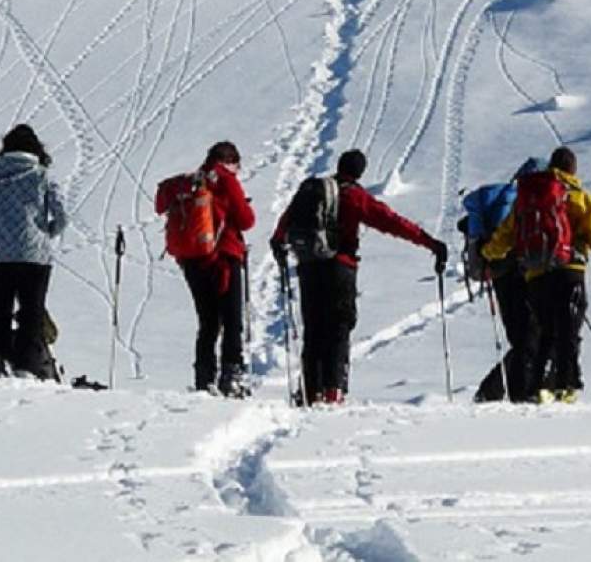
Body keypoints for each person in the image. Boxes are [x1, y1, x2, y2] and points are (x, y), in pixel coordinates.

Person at [271, 149, 447, 405]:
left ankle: (311, 391)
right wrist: (429, 242)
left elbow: (284, 223)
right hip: (340, 268)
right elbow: (392, 222)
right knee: (339, 328)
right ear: (359, 171)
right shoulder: (355, 196)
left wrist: (279, 245)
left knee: (314, 329)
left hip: (309, 268)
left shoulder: (313, 192)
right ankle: (333, 391)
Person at [481, 145, 591, 403]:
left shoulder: (528, 197)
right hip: (570, 271)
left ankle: (539, 387)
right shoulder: (577, 196)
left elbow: (506, 235)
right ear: (573, 169)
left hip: (536, 276)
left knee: (546, 330)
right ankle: (567, 386)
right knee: (568, 330)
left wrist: (488, 252)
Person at [0, 123, 67, 381]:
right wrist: (46, 232)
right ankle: (26, 366)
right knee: (32, 311)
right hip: (34, 255)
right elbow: (62, 215)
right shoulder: (41, 175)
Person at [155, 140, 256, 396]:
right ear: (231, 161)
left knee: (208, 321)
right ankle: (231, 377)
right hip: (223, 258)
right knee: (232, 320)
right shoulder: (224, 178)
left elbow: (160, 205)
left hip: (192, 261)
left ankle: (204, 378)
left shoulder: (190, 181)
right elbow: (246, 220)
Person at [467, 158, 540, 405]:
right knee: (529, 338)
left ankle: (497, 391)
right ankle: (508, 393)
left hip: (499, 275)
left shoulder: (504, 200)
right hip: (518, 273)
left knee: (523, 337)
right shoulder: (523, 202)